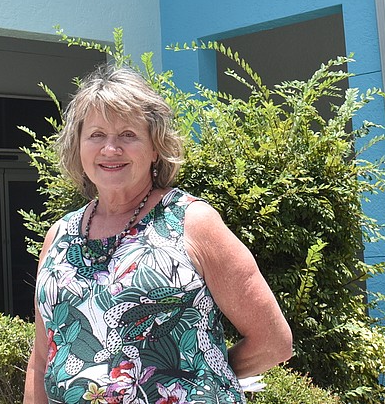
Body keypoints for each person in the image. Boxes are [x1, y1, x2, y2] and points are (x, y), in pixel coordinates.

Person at [24, 64, 293, 404]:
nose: (110, 149)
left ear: (155, 147)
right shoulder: (59, 236)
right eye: (96, 135)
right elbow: (42, 357)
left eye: (127, 135)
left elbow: (273, 340)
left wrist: (205, 374)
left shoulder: (191, 222)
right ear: (78, 146)